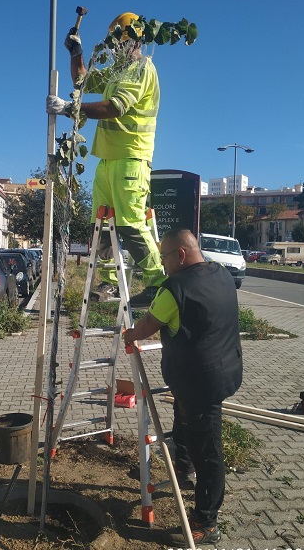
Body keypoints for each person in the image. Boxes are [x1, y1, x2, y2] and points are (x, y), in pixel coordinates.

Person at [123, 229, 243, 546]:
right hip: (225, 369)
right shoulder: (220, 274)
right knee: (183, 419)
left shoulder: (174, 288)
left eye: (164, 257)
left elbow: (148, 325)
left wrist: (130, 335)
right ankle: (182, 468)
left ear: (180, 255)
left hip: (201, 383)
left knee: (210, 454)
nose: (163, 264)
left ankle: (206, 523)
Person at [46, 12, 165, 307]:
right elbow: (82, 80)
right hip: (108, 160)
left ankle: (158, 283)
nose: (116, 49)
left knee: (130, 224)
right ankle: (110, 283)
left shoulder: (141, 69)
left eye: (121, 42)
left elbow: (115, 107)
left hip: (131, 158)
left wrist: (69, 109)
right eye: (114, 43)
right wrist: (76, 52)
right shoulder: (118, 71)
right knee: (102, 223)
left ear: (137, 40)